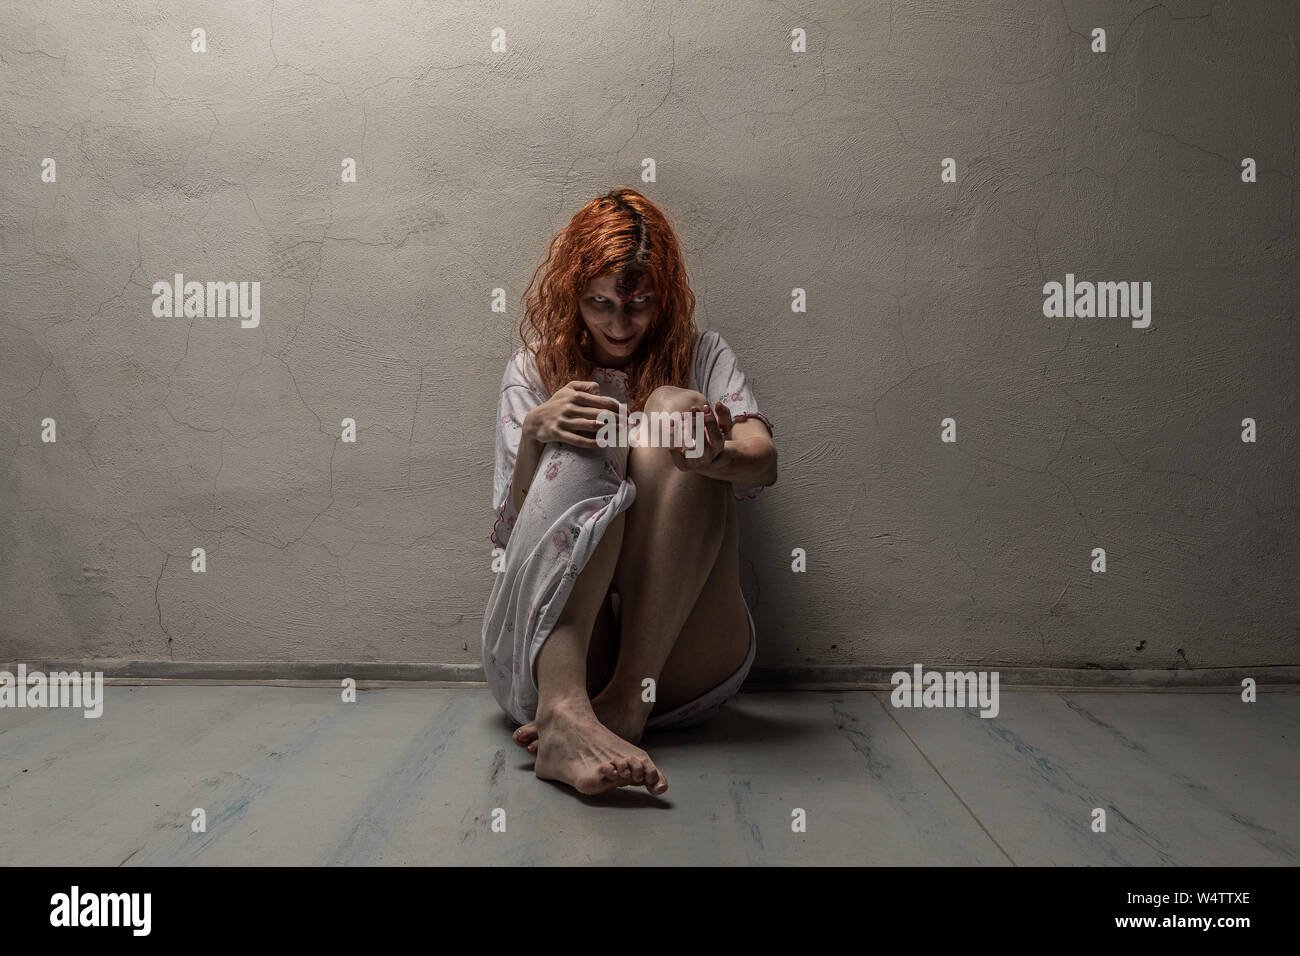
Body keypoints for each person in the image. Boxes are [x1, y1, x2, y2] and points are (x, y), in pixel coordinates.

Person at [482, 187, 777, 797]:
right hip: (566, 657)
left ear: (662, 299)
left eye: (640, 305)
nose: (619, 325)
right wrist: (538, 433)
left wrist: (716, 454)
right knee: (583, 414)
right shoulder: (534, 367)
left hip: (682, 662)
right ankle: (566, 715)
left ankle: (624, 705)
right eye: (600, 304)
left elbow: (764, 464)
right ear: (573, 294)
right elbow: (517, 539)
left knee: (676, 408)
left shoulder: (702, 352)